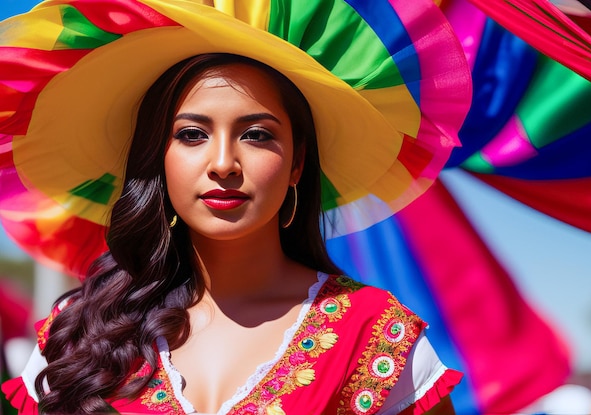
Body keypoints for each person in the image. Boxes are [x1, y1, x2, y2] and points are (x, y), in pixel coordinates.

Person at [0, 1, 472, 414]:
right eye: (191, 135)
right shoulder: (74, 336)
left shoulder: (375, 336)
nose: (223, 163)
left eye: (257, 134)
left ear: (296, 164)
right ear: (157, 159)